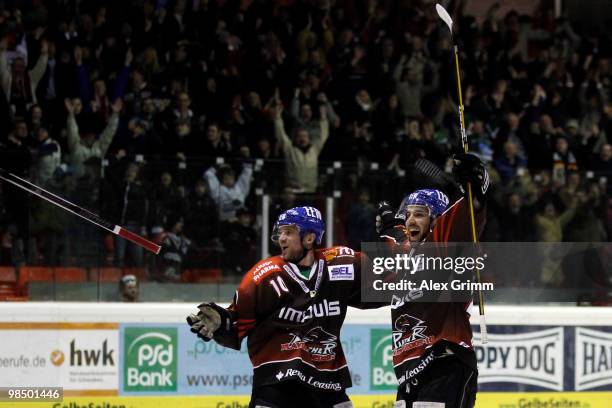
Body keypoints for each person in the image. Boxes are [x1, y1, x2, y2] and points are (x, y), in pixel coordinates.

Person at [187, 206, 370, 408]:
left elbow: (390, 283)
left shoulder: (341, 263)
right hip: (277, 380)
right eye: (280, 232)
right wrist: (222, 323)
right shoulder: (263, 276)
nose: (281, 238)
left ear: (309, 238)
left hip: (326, 381)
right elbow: (237, 323)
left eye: (289, 232)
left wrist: (396, 236)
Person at [375, 153, 489, 408]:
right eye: (408, 214)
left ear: (437, 220)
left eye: (419, 214)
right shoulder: (404, 253)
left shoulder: (441, 245)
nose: (410, 220)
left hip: (445, 359)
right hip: (409, 371)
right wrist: (388, 228)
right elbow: (396, 240)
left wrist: (475, 188)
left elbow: (471, 215)